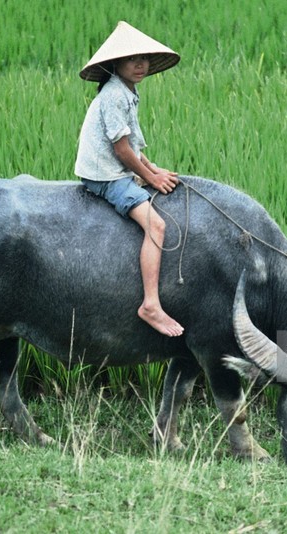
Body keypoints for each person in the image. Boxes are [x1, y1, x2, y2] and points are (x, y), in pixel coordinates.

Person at [75, 21, 184, 337]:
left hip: (117, 167)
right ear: (115, 64)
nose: (140, 65)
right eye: (131, 59)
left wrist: (154, 169)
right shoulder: (113, 95)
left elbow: (132, 144)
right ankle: (150, 303)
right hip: (106, 176)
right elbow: (122, 151)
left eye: (145, 58)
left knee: (157, 186)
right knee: (157, 225)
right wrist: (149, 176)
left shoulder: (127, 91)